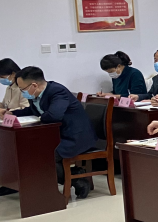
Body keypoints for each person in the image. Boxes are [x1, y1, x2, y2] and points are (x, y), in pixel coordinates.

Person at [12, 66, 96, 199]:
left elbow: (54, 115)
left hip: (76, 137)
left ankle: (77, 180)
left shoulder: (57, 91)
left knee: (46, 155)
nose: (22, 93)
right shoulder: (35, 94)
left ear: (34, 85)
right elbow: (33, 111)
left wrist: (40, 117)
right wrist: (11, 114)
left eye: (23, 89)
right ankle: (70, 176)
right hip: (57, 135)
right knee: (31, 151)